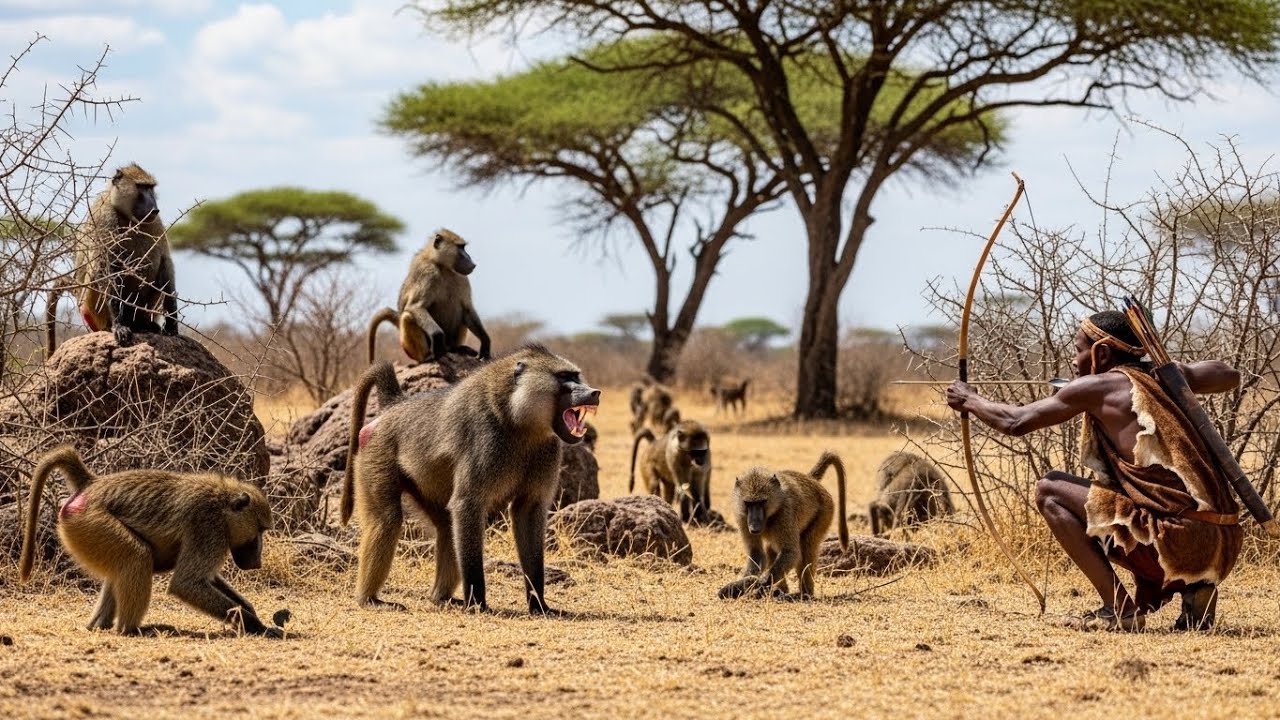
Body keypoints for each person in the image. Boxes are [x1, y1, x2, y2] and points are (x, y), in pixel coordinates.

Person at [946, 310, 1243, 631]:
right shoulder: (1166, 379)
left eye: (1078, 349)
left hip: (1176, 544)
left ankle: (1119, 609)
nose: (1074, 361)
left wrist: (970, 399)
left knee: (1050, 489)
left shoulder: (1098, 386)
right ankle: (1195, 588)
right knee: (1123, 497)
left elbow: (1014, 421)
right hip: (1224, 547)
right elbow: (1229, 374)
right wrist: (1174, 371)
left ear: (1101, 351)